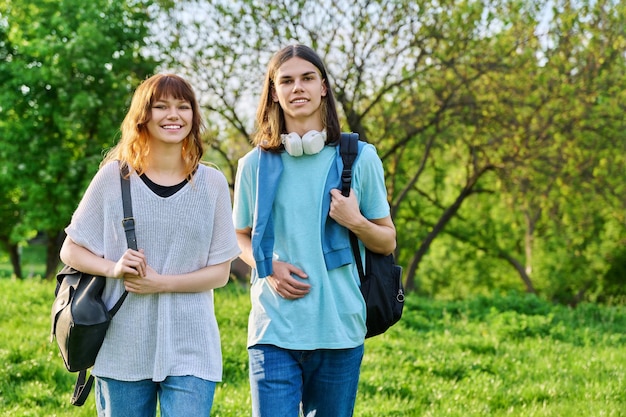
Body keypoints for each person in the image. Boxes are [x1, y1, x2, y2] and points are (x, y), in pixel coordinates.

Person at [59, 73, 241, 416]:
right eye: (161, 106)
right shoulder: (113, 178)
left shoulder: (213, 183)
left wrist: (161, 284)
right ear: (143, 116)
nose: (173, 115)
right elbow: (70, 249)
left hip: (192, 347)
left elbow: (219, 273)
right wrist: (112, 267)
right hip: (122, 346)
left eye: (183, 107)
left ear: (193, 116)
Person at [232, 44, 397, 417]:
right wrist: (267, 266)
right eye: (286, 81)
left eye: (307, 78)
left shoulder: (360, 158)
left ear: (323, 86)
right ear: (274, 92)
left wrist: (355, 221)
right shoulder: (254, 164)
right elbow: (237, 235)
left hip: (339, 328)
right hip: (273, 329)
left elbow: (387, 241)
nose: (298, 88)